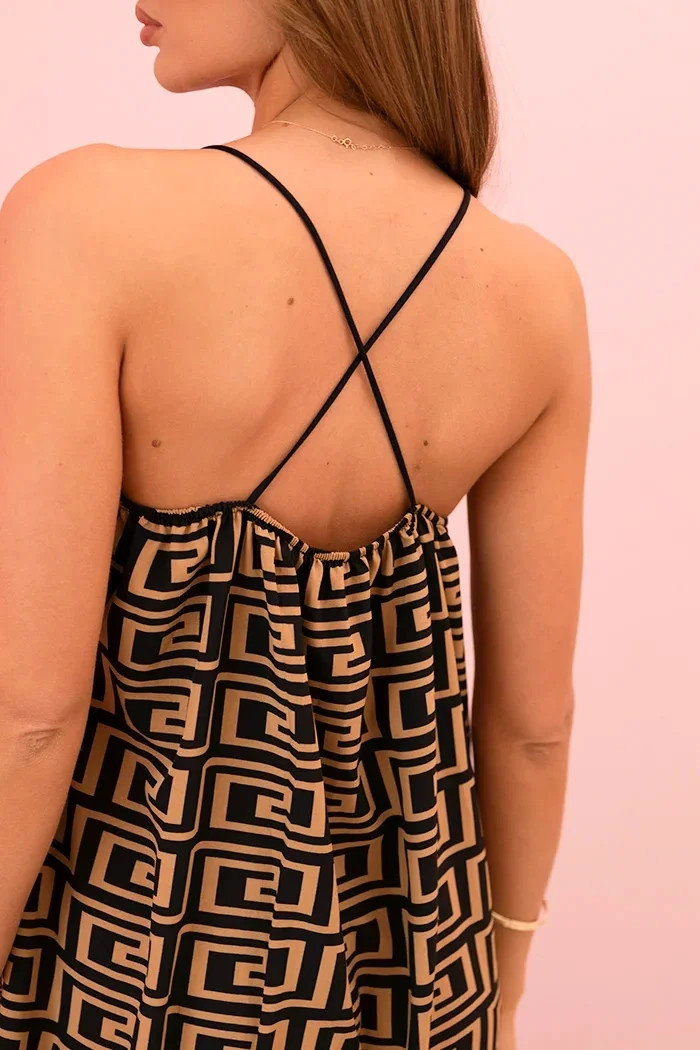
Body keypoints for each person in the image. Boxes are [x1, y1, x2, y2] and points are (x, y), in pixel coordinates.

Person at [0, 2, 591, 1048]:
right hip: (405, 970)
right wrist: (497, 988)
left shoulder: (85, 219)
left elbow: (30, 715)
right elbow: (531, 728)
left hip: (124, 955)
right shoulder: (537, 292)